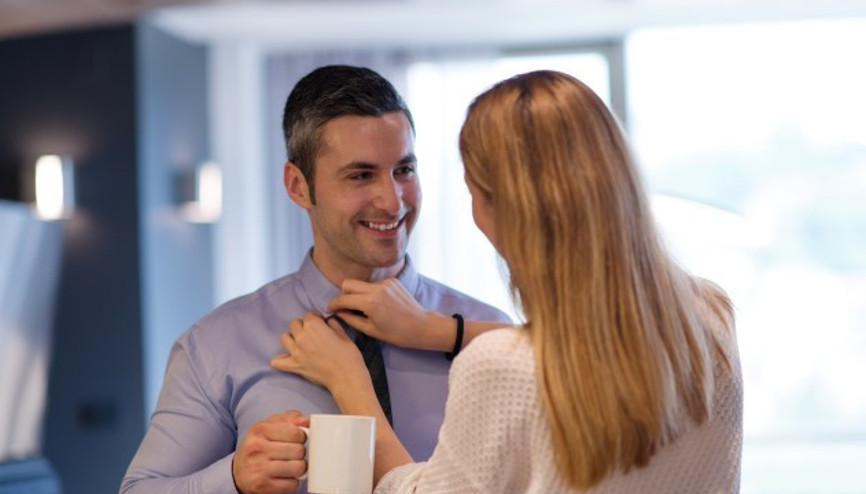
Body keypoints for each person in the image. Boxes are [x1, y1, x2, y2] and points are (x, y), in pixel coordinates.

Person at [272, 70, 744, 493]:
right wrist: (437, 331)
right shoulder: (708, 314)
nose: (393, 201)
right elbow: (596, 342)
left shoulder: (500, 369)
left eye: (472, 190)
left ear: (502, 208)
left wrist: (350, 382)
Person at [120, 65, 510, 494]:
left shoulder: (486, 336)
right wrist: (232, 477)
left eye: (404, 169)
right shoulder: (215, 345)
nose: (392, 200)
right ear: (298, 186)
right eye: (361, 175)